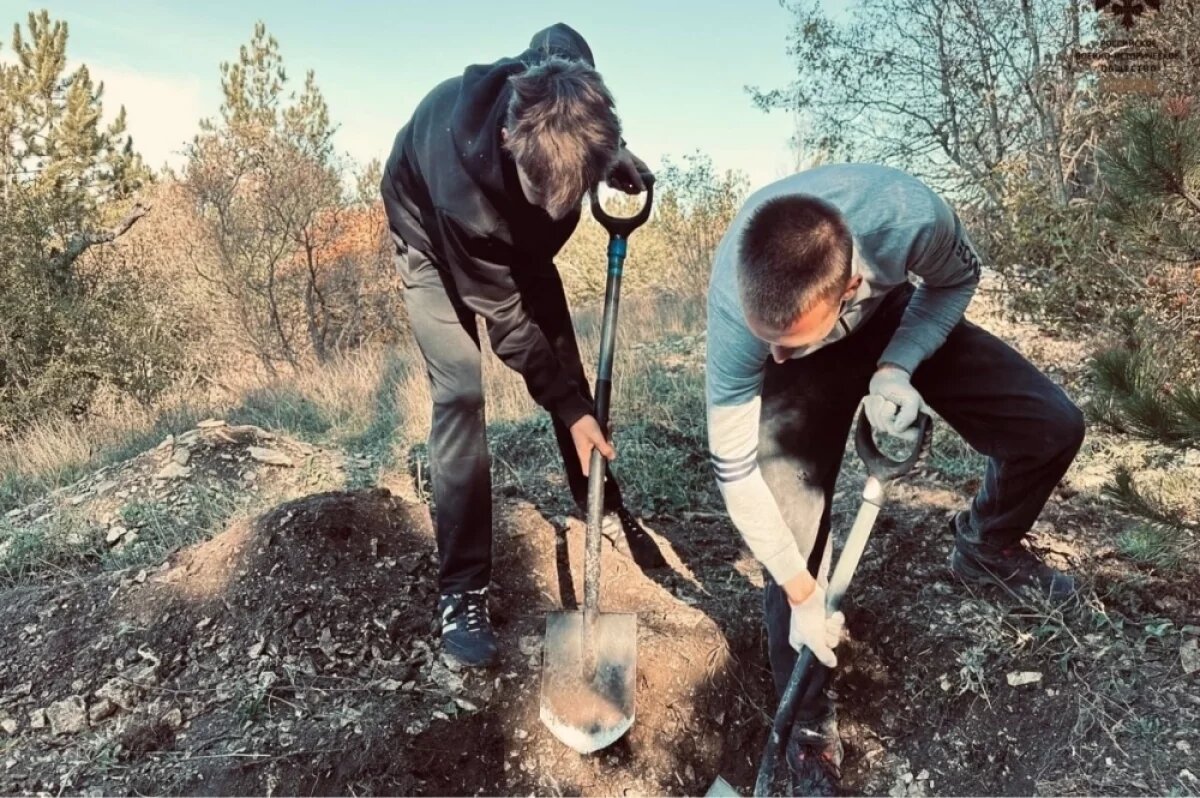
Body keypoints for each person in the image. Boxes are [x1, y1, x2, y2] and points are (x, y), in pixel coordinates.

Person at [704, 163, 1085, 794]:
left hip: (889, 320)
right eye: (766, 340)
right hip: (811, 357)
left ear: (851, 286)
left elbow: (956, 280)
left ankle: (986, 546)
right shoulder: (741, 315)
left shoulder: (911, 218)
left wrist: (896, 366)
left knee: (1050, 426)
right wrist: (801, 593)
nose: (773, 357)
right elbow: (736, 469)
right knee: (790, 529)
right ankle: (805, 725)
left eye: (787, 341)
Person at [380, 23, 652, 669]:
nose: (560, 210)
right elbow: (505, 321)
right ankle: (462, 590)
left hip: (516, 243)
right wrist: (569, 406)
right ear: (508, 139)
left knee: (567, 370)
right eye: (544, 194)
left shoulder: (560, 76)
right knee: (460, 391)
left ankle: (599, 505)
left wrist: (610, 154)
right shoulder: (463, 194)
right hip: (429, 234)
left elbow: (561, 35)